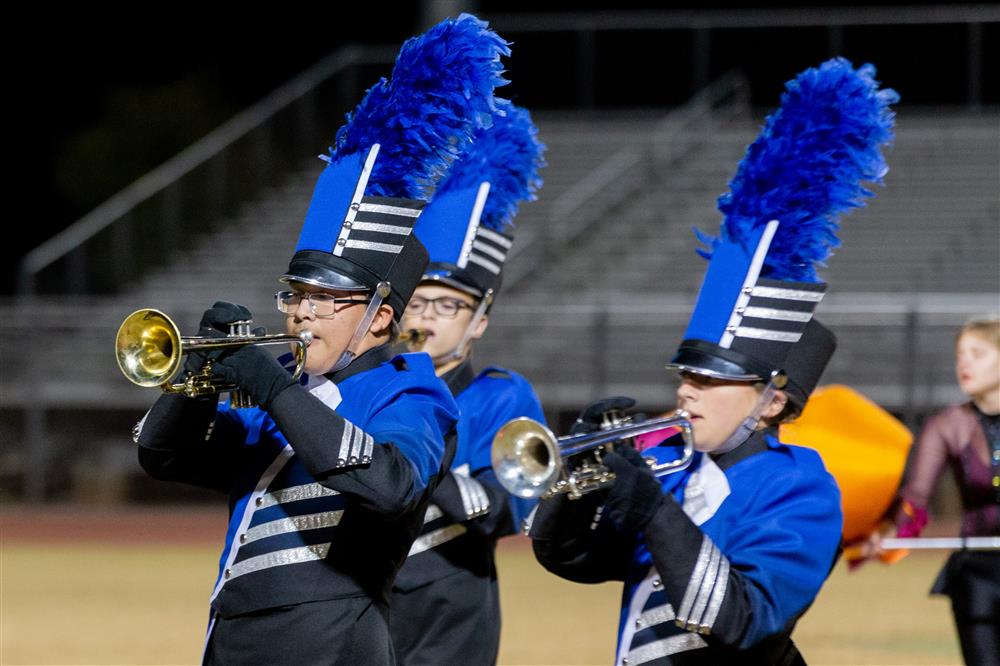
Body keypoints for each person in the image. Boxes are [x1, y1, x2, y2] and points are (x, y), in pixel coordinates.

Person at [133, 14, 511, 665]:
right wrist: (194, 378)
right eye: (296, 295)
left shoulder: (411, 392)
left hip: (335, 646)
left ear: (381, 318)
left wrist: (271, 384)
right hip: (233, 643)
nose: (303, 314)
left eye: (326, 301)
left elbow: (392, 485)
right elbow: (162, 457)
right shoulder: (284, 395)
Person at [528, 57, 898, 665]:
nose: (687, 394)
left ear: (772, 400)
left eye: (712, 381)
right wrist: (580, 483)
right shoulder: (672, 470)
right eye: (687, 378)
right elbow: (570, 561)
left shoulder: (800, 487)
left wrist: (651, 508)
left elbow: (742, 620)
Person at [389, 101, 547, 665]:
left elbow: (509, 509)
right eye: (419, 301)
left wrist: (412, 456)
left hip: (450, 621)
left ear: (479, 321)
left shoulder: (501, 396)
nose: (427, 318)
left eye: (448, 306)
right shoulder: (368, 384)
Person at [869, 317, 999, 665]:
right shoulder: (948, 425)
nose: (964, 363)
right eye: (960, 354)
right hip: (978, 573)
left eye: (977, 352)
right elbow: (916, 496)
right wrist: (892, 533)